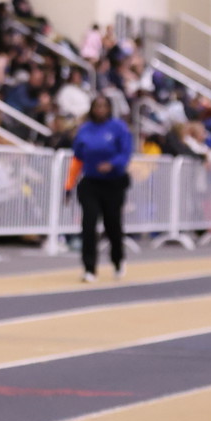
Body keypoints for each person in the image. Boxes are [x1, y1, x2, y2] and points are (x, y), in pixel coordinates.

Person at [68, 93, 133, 283]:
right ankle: (89, 268)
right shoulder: (85, 129)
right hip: (91, 182)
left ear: (109, 108)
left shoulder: (118, 127)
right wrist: (69, 184)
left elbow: (126, 153)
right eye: (97, 106)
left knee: (112, 224)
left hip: (113, 182)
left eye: (104, 106)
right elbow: (77, 158)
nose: (100, 110)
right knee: (88, 223)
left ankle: (118, 260)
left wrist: (112, 164)